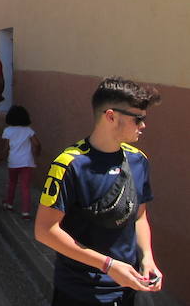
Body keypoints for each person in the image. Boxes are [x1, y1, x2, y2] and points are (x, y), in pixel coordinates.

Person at [35, 77, 163, 305]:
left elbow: (140, 216)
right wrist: (109, 265)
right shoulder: (69, 164)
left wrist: (147, 259)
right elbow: (45, 230)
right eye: (138, 119)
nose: (143, 126)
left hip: (127, 289)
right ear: (111, 116)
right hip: (79, 291)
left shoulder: (138, 160)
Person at [0, 105, 40, 219]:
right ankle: (26, 211)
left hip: (13, 161)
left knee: (12, 183)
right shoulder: (29, 130)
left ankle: (9, 203)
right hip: (27, 162)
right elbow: (36, 144)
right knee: (25, 186)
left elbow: (6, 147)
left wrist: (0, 156)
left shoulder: (8, 130)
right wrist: (37, 152)